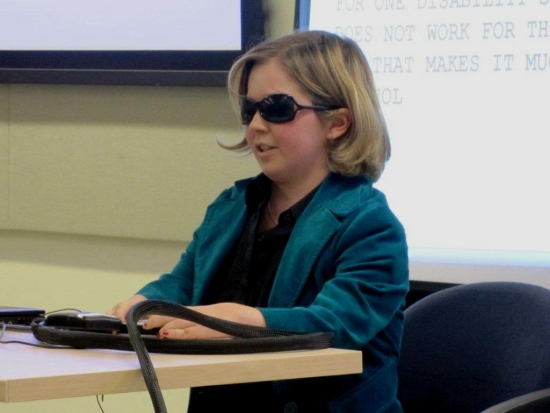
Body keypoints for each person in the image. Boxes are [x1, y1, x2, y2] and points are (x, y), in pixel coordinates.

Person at [108, 30, 408, 413]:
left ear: (338, 123)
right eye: (250, 110)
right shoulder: (230, 207)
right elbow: (182, 283)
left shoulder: (371, 225)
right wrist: (143, 303)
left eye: (277, 108)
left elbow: (334, 325)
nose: (255, 126)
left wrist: (240, 320)